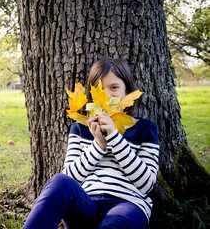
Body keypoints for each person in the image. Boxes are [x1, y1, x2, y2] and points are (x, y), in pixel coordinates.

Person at [23, 58, 159, 229]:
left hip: (128, 206)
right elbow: (70, 177)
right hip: (87, 206)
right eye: (100, 90)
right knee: (59, 182)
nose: (107, 96)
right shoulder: (81, 128)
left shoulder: (145, 129)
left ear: (128, 91)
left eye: (114, 88)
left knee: (113, 225)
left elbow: (147, 184)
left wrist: (114, 138)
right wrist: (99, 146)